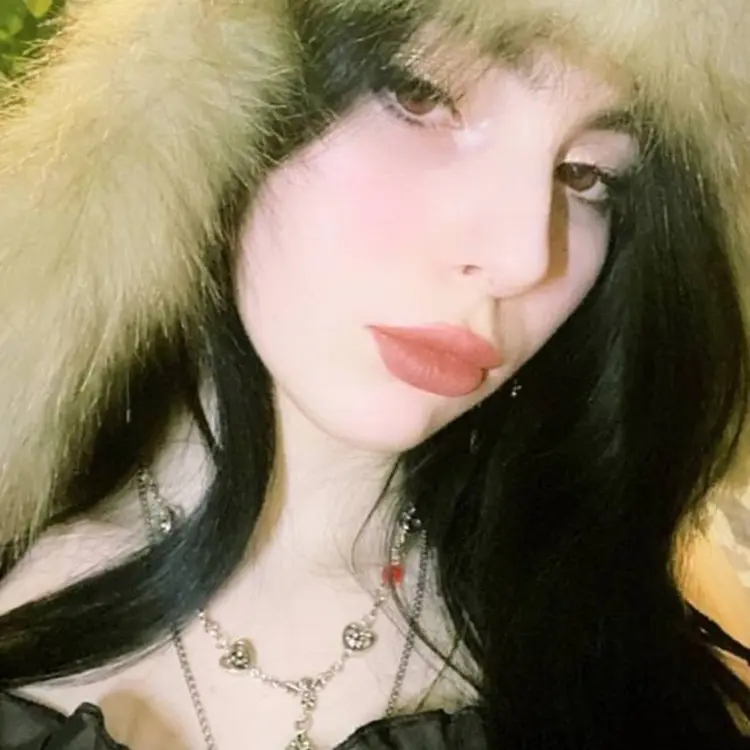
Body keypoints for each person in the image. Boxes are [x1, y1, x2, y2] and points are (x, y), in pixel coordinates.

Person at [0, 0, 749, 747]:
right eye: (422, 95)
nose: (522, 258)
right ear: (196, 115)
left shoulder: (619, 673)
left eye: (587, 175)